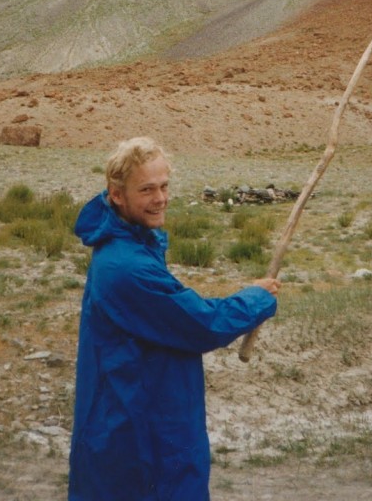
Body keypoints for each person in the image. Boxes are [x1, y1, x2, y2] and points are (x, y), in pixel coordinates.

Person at [68, 136, 280, 501]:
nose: (161, 198)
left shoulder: (132, 245)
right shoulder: (125, 267)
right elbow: (200, 324)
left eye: (164, 186)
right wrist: (257, 299)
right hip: (138, 428)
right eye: (147, 189)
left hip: (140, 408)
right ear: (117, 195)